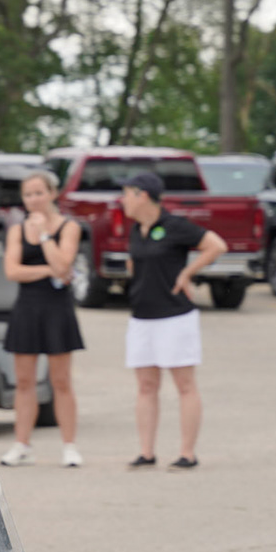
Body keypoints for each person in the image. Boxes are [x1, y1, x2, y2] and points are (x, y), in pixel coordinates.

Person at [118, 173, 226, 469]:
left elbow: (216, 245)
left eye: (126, 194)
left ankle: (187, 453)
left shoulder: (174, 225)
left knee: (184, 385)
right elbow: (135, 263)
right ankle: (146, 452)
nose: (122, 200)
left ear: (142, 195)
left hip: (174, 316)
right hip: (142, 317)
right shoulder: (136, 229)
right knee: (146, 385)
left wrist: (187, 273)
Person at [0, 170, 84, 467]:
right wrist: (48, 270)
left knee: (61, 380)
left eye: (38, 193)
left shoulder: (69, 226)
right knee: (24, 381)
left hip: (57, 308)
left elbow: (64, 265)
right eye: (28, 194)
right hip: (27, 307)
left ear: (52, 194)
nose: (33, 199)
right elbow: (12, 271)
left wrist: (45, 235)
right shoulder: (16, 230)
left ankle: (69, 446)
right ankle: (22, 444)